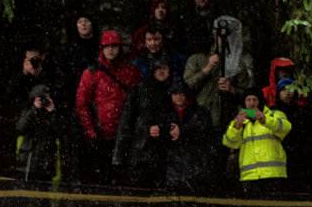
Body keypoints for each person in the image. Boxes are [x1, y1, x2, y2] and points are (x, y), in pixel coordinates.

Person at [74, 29, 138, 184]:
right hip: (99, 135)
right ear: (101, 48)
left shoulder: (131, 71)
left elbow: (137, 102)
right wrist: (90, 131)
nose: (110, 49)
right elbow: (81, 104)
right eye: (107, 46)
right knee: (99, 178)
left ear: (120, 48)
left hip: (123, 135)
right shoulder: (92, 72)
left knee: (121, 179)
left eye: (114, 46)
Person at [183, 16, 254, 128]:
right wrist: (207, 68)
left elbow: (248, 94)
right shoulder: (198, 58)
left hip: (229, 117)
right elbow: (188, 84)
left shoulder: (239, 64)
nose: (225, 39)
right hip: (203, 116)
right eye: (221, 36)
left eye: (229, 36)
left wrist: (231, 89)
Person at [113, 59, 175, 188]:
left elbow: (177, 118)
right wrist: (119, 156)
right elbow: (126, 122)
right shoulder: (140, 89)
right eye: (158, 68)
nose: (161, 71)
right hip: (141, 150)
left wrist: (164, 128)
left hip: (165, 154)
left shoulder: (175, 90)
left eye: (164, 68)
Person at [223, 89, 291, 194]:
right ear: (244, 103)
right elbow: (229, 142)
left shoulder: (274, 114)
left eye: (254, 99)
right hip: (249, 176)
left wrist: (265, 120)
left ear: (260, 102)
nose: (252, 103)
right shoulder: (240, 121)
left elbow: (286, 127)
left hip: (273, 173)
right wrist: (236, 127)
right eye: (248, 100)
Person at [266, 70, 312, 193]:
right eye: (283, 90)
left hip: (300, 158)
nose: (287, 93)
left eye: (290, 89)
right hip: (279, 157)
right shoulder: (271, 112)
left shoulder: (303, 112)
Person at [162, 79, 217, 193]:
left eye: (181, 93)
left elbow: (203, 128)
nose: (179, 97)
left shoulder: (200, 111)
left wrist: (181, 130)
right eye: (175, 93)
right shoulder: (165, 113)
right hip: (173, 168)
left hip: (196, 165)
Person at [16, 85, 73, 184]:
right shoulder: (29, 111)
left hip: (47, 161)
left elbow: (61, 132)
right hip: (29, 159)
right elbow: (20, 128)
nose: (44, 101)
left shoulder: (54, 113)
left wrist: (52, 111)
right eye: (42, 98)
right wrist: (34, 109)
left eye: (47, 98)